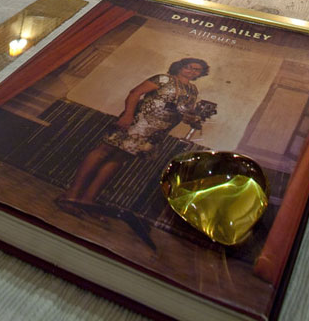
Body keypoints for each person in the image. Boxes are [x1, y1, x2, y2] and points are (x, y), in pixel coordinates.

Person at [56, 57, 212, 214]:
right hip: (136, 122)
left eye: (196, 69)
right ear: (180, 67)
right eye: (188, 67)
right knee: (103, 151)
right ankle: (70, 195)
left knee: (119, 159)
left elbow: (183, 112)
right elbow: (135, 93)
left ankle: (87, 200)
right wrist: (128, 115)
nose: (191, 71)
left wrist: (193, 120)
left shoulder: (193, 90)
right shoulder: (163, 78)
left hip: (155, 131)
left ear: (201, 73)